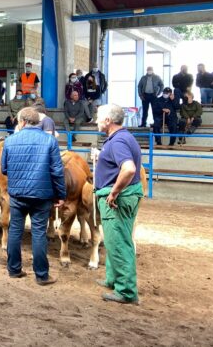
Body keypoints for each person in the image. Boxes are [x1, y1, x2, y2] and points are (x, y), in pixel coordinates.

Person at [1, 107, 65, 285]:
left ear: (21, 122)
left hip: (17, 194)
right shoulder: (50, 141)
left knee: (15, 230)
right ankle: (42, 275)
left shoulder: (10, 141)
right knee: (38, 233)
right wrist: (60, 194)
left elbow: (4, 169)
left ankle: (14, 269)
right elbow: (57, 171)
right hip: (42, 195)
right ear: (37, 122)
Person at [93, 104, 144, 304]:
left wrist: (114, 192)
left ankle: (126, 291)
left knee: (119, 242)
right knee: (115, 239)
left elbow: (129, 169)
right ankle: (113, 279)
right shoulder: (122, 138)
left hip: (117, 200)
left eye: (98, 117)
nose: (95, 120)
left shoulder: (118, 142)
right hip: (128, 195)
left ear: (108, 121)